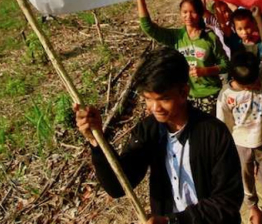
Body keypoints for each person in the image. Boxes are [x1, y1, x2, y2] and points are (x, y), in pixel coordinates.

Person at [75, 47, 243, 224]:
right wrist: (96, 140)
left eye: (163, 99)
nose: (155, 108)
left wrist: (174, 221)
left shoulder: (214, 133)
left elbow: (228, 200)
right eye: (148, 98)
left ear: (183, 93)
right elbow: (118, 186)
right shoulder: (148, 131)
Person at [216, 51, 262, 224]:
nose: (256, 85)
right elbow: (223, 126)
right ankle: (253, 207)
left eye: (256, 81)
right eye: (251, 85)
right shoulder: (225, 96)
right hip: (240, 145)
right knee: (245, 178)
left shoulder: (259, 76)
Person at [137, 0, 228, 113]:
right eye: (185, 12)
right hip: (185, 96)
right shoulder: (177, 37)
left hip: (210, 95)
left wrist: (206, 71)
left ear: (200, 13)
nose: (188, 16)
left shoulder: (210, 38)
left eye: (193, 12)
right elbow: (148, 27)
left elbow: (226, 64)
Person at [227, 8, 262, 73]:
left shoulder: (260, 44)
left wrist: (258, 18)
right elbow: (223, 26)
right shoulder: (235, 40)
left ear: (253, 24)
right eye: (240, 29)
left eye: (247, 27)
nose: (244, 32)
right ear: (235, 28)